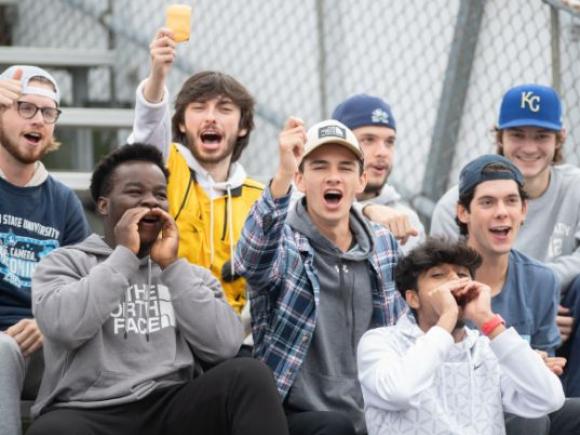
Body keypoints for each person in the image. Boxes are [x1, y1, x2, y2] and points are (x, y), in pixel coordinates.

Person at [26, 144, 288, 435]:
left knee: (249, 375)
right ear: (103, 205)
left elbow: (224, 347)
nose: (150, 202)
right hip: (90, 410)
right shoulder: (64, 263)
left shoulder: (188, 274)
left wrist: (173, 268)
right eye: (135, 193)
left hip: (171, 405)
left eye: (160, 195)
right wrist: (125, 255)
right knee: (50, 431)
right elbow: (64, 327)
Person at [235, 118, 408, 435]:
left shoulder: (383, 247)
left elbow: (403, 332)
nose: (333, 178)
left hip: (373, 416)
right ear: (300, 179)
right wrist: (282, 174)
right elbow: (250, 260)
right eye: (319, 167)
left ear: (361, 181)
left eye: (345, 168)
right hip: (293, 417)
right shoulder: (284, 243)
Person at [430, 84, 580, 395]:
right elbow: (442, 279)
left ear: (559, 140)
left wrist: (543, 289)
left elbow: (538, 283)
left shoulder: (574, 187)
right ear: (500, 138)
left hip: (552, 304)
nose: (529, 147)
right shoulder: (453, 204)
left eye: (541, 136)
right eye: (517, 135)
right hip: (481, 311)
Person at [357, 238, 565, 435]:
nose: (455, 282)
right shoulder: (381, 342)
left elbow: (549, 398)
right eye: (438, 275)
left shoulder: (487, 347)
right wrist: (447, 318)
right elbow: (399, 392)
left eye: (463, 275)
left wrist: (487, 320)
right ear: (413, 298)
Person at [129, 28, 263, 314]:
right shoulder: (165, 165)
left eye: (225, 109)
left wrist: (369, 210)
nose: (211, 118)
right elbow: (148, 128)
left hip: (231, 333)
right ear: (180, 123)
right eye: (199, 108)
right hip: (162, 325)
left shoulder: (260, 199)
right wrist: (158, 75)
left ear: (242, 127)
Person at [0, 65, 90, 435]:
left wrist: (48, 325)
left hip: (44, 347)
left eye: (47, 112)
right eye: (25, 108)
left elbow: (85, 291)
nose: (38, 119)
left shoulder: (63, 202)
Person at [455, 154, 560, 354]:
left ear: (524, 210)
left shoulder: (542, 282)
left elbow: (546, 372)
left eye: (511, 201)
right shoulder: (437, 278)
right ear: (463, 212)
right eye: (487, 202)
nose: (502, 212)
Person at [332, 94, 425, 252]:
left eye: (389, 142)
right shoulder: (300, 198)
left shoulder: (408, 222)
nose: (382, 152)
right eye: (368, 140)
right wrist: (367, 210)